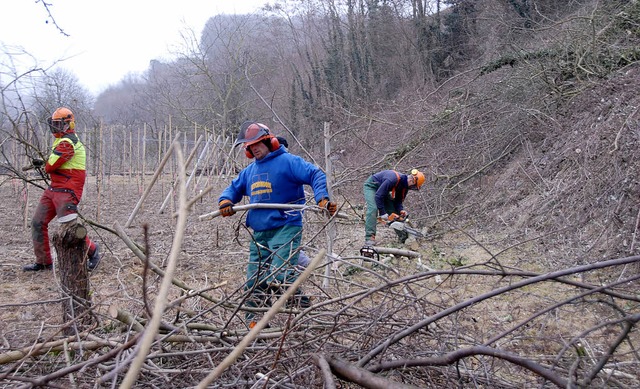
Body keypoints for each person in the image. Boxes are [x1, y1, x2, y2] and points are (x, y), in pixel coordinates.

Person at [218, 121, 337, 326]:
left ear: (269, 141)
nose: (253, 148)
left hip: (286, 226)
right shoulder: (250, 172)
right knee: (255, 281)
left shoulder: (289, 162)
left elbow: (315, 174)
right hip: (260, 233)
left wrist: (322, 199)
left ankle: (306, 313)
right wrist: (225, 201)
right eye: (249, 146)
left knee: (280, 274)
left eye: (257, 144)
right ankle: (254, 324)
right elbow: (233, 188)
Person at [23, 107, 101, 272]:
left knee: (70, 229)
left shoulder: (68, 143)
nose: (55, 127)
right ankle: (44, 261)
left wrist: (45, 165)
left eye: (59, 124)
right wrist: (42, 163)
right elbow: (51, 162)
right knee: (38, 222)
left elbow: (51, 166)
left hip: (67, 190)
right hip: (55, 188)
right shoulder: (61, 140)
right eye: (54, 124)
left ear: (68, 124)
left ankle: (93, 251)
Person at [363, 168, 425, 246]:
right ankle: (369, 238)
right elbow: (378, 196)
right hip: (372, 186)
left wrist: (401, 210)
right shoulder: (393, 179)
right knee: (373, 209)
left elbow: (398, 202)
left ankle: (403, 236)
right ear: (411, 181)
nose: (412, 188)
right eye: (414, 186)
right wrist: (383, 213)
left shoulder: (404, 186)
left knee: (393, 211)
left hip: (382, 190)